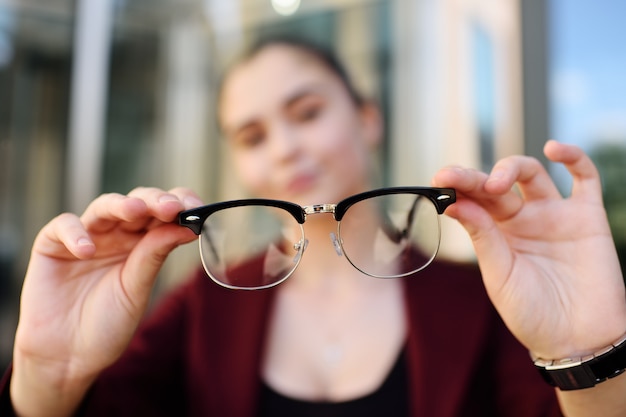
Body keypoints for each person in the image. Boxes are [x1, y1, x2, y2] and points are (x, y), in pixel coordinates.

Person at [1, 37, 625, 417]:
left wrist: (588, 357)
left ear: (368, 119)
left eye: (307, 111)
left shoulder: (487, 298)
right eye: (253, 135)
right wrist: (47, 373)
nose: (286, 149)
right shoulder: (200, 308)